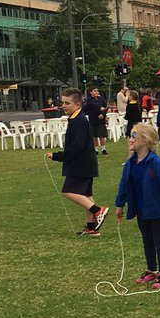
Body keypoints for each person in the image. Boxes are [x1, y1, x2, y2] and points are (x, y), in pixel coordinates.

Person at [114, 122, 160, 290]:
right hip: (141, 209)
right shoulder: (131, 163)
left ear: (145, 140)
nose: (130, 140)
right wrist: (120, 204)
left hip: (157, 210)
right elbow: (124, 185)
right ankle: (151, 270)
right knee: (147, 240)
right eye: (129, 136)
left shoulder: (157, 163)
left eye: (133, 136)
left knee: (159, 240)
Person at [46, 88, 108, 236]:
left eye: (68, 103)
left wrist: (58, 156)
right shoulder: (75, 119)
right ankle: (92, 227)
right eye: (63, 102)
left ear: (78, 105)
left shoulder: (79, 121)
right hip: (84, 163)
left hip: (81, 164)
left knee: (69, 191)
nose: (64, 106)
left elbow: (77, 146)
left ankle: (98, 211)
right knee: (85, 195)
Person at [84, 85, 108, 156]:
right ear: (91, 92)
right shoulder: (89, 100)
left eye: (97, 91)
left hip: (101, 120)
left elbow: (106, 107)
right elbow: (92, 104)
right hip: (93, 120)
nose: (96, 92)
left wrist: (103, 114)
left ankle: (103, 149)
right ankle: (96, 150)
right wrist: (100, 107)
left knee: (101, 135)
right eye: (95, 91)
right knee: (94, 136)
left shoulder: (101, 99)